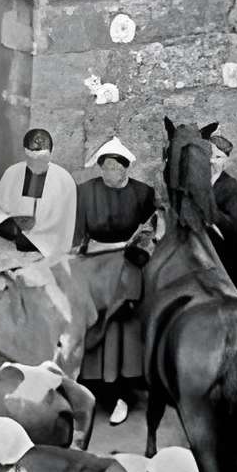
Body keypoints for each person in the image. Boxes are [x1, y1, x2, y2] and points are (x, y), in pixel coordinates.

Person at [75, 140, 158, 421]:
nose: (109, 172)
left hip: (127, 262)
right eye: (105, 167)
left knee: (121, 323)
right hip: (94, 264)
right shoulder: (86, 192)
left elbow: (152, 230)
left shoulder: (143, 193)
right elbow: (77, 235)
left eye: (114, 167)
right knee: (90, 319)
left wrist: (140, 252)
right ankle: (90, 386)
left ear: (125, 169)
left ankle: (122, 391)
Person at [0, 129, 78, 267]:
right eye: (32, 158)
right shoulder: (12, 174)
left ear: (51, 154)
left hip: (46, 254)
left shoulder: (64, 181)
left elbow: (66, 226)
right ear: (25, 152)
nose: (36, 163)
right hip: (10, 250)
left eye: (41, 158)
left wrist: (36, 234)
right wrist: (13, 225)